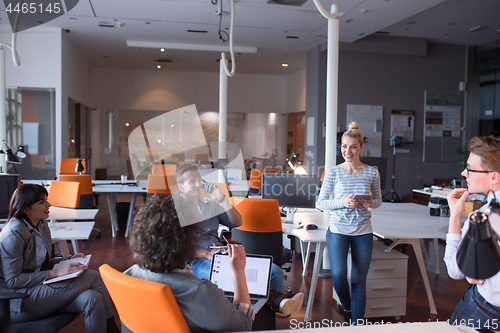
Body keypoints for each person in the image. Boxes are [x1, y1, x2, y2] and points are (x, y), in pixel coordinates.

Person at [175, 163, 304, 316]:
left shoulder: (209, 203)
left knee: (274, 271)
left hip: (220, 256)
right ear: (180, 186)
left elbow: (237, 222)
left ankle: (264, 318)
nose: (198, 184)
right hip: (194, 261)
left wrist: (221, 199)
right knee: (236, 275)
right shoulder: (175, 209)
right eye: (192, 181)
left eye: (199, 180)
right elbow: (174, 246)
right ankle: (277, 303)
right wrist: (205, 254)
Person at [125, 193, 254, 332]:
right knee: (267, 316)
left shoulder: (129, 275)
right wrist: (239, 272)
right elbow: (243, 326)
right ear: (187, 241)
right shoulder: (200, 290)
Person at [0, 184, 120, 333]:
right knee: (93, 276)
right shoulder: (13, 234)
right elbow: (13, 281)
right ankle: (113, 329)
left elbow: (39, 263)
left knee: (92, 297)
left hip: (39, 288)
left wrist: (66, 259)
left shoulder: (41, 224)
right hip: (19, 301)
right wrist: (55, 273)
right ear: (26, 209)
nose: (49, 204)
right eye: (41, 202)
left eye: (46, 200)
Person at [317, 122, 382, 325]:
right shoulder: (333, 172)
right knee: (337, 275)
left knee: (358, 281)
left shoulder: (372, 172)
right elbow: (321, 202)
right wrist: (342, 202)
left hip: (363, 231)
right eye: (344, 146)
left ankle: (357, 326)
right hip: (338, 230)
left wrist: (370, 202)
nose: (348, 151)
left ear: (361, 148)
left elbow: (379, 201)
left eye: (353, 146)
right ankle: (347, 307)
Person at [444, 135, 500, 329]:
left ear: (494, 176)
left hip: (484, 309)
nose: (463, 172)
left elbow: (454, 270)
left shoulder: (483, 219)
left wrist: (455, 216)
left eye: (470, 169)